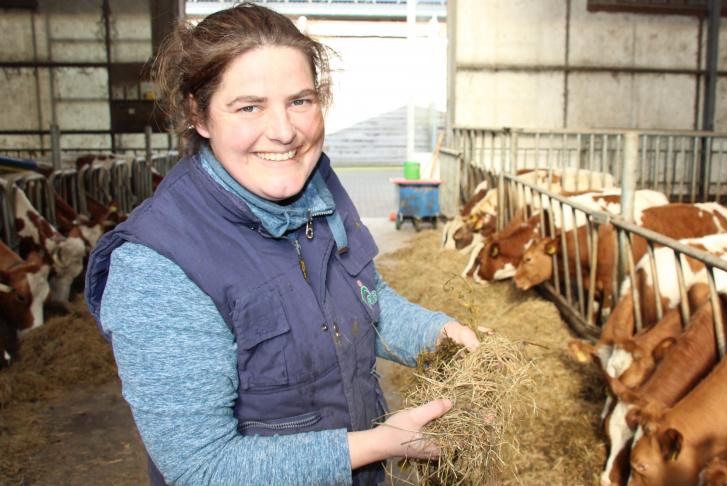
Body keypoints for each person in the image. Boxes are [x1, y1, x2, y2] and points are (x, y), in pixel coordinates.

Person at [84, 4, 479, 485]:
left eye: (300, 101)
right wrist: (379, 443)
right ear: (198, 115)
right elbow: (201, 468)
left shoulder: (316, 190)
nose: (285, 132)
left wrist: (439, 335)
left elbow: (361, 303)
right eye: (249, 106)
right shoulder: (157, 266)